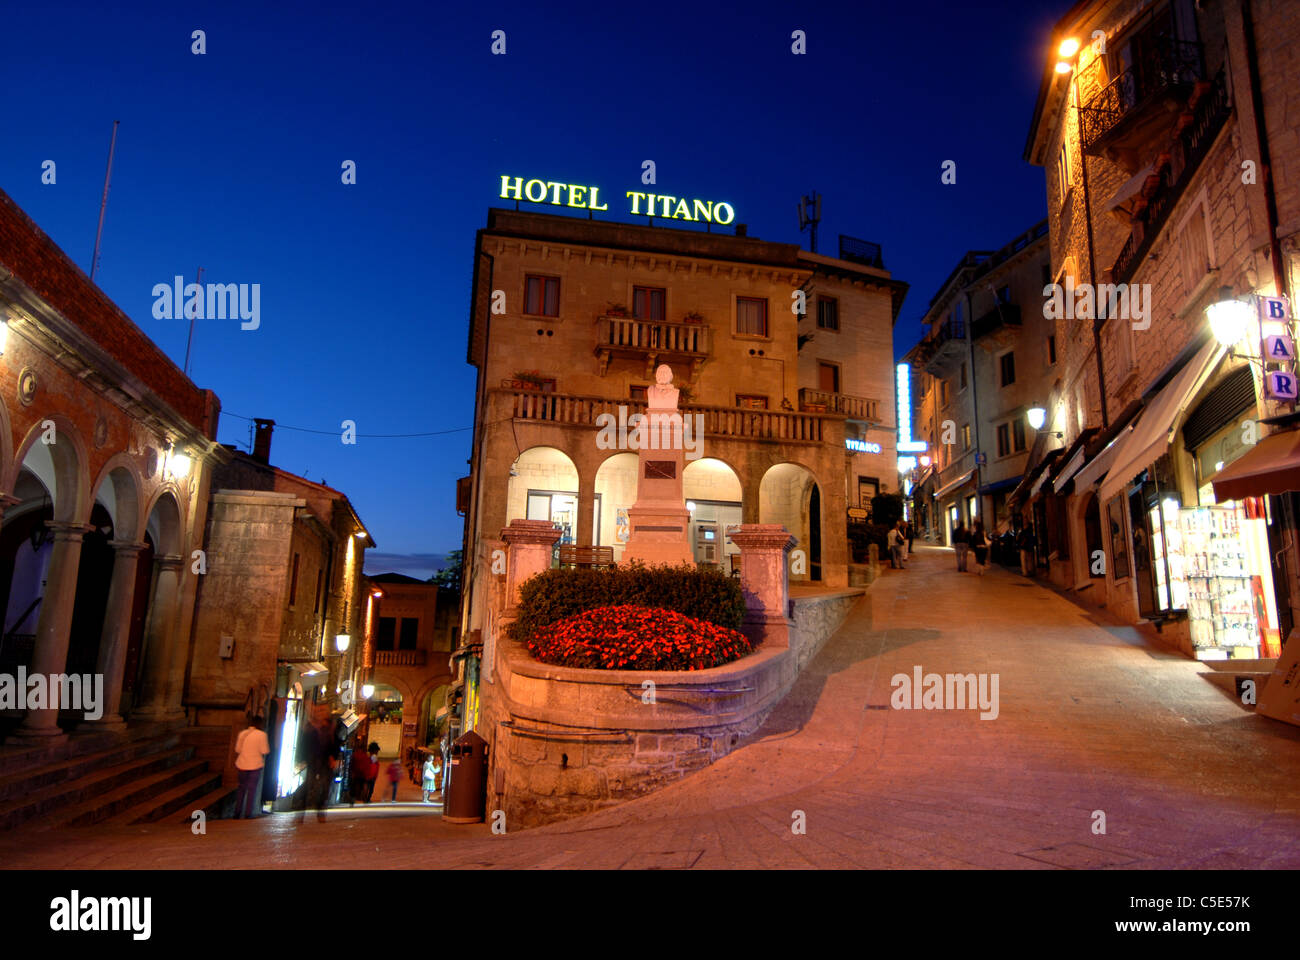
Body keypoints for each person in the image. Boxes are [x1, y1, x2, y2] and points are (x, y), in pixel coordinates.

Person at [233, 716, 270, 819]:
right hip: (255, 765)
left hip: (242, 764)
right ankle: (248, 813)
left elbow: (237, 749)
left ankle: (237, 812)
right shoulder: (262, 735)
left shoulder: (243, 734)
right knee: (252, 789)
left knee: (241, 789)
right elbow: (264, 750)